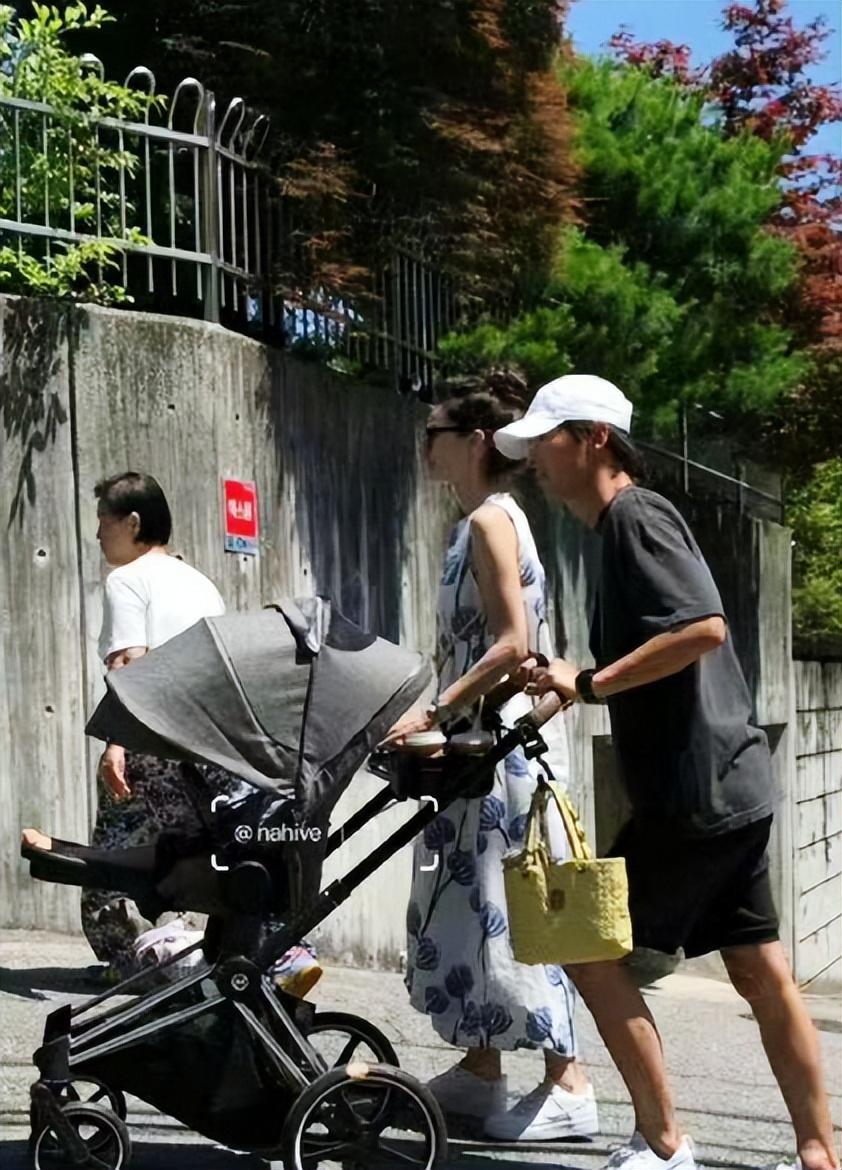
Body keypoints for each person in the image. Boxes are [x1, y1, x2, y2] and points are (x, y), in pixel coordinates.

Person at [491, 374, 839, 1170]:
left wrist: (592, 683)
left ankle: (663, 1143)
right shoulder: (624, 526)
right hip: (730, 785)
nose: (534, 459)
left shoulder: (634, 517)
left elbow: (702, 629)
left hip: (694, 796)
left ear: (593, 439)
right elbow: (660, 652)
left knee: (588, 949)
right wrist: (571, 685)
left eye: (545, 440)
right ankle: (819, 1155)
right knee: (759, 969)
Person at [392, 371, 598, 1142]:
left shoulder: (489, 521)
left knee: (514, 904)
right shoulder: (477, 521)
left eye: (435, 433)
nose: (425, 447)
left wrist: (436, 709)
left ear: (475, 441)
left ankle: (567, 1081)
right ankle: (481, 1069)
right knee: (472, 904)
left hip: (497, 743)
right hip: (480, 741)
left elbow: (514, 643)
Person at [22, 471, 322, 997]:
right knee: (217, 852)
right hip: (215, 742)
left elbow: (131, 665)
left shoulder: (127, 580)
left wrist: (116, 745)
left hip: (154, 743)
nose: (97, 534)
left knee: (110, 858)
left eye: (104, 521)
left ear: (133, 523)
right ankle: (280, 952)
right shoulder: (199, 582)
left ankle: (130, 961)